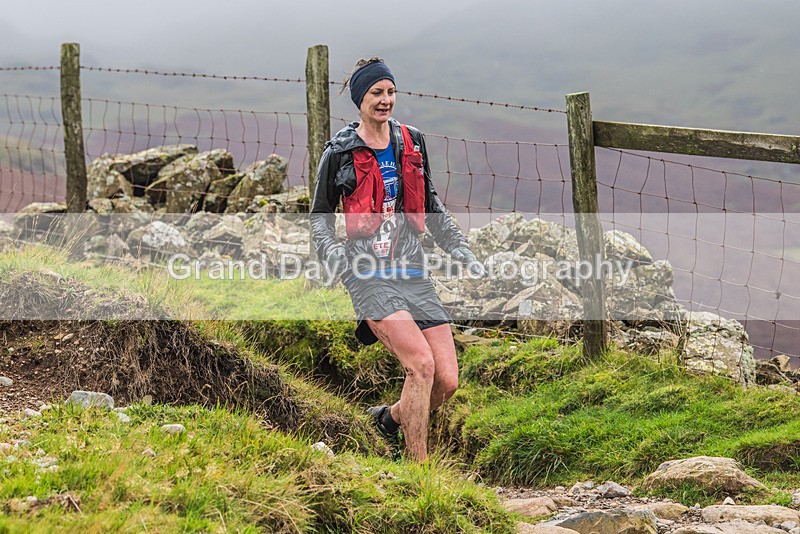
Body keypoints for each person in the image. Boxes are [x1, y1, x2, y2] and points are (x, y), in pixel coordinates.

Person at [310, 58, 483, 462]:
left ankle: (387, 420)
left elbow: (431, 202)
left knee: (446, 381)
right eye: (376, 93)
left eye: (390, 91)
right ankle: (418, 470)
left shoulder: (411, 141)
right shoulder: (339, 152)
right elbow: (319, 216)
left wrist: (457, 245)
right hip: (368, 276)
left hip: (413, 272)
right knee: (420, 366)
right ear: (360, 100)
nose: (385, 100)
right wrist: (333, 253)